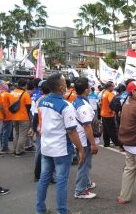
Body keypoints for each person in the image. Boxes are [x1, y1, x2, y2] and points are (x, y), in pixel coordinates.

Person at [36, 73, 85, 214]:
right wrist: (80, 150)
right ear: (62, 87)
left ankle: (40, 209)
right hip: (61, 149)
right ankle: (62, 211)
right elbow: (72, 131)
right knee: (61, 181)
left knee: (44, 178)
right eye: (65, 83)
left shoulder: (42, 101)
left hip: (46, 146)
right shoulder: (65, 105)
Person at [72, 77, 99, 199]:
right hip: (84, 139)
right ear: (86, 90)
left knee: (86, 163)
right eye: (88, 87)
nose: (90, 88)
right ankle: (80, 190)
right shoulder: (83, 105)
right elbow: (87, 126)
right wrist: (93, 143)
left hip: (79, 137)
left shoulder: (77, 100)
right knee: (84, 164)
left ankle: (86, 183)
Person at [9, 78, 32, 157]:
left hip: (14, 116)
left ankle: (15, 149)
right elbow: (29, 107)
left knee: (16, 134)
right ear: (25, 85)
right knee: (22, 135)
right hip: (23, 117)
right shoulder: (25, 94)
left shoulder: (11, 93)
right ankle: (19, 151)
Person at [100, 82, 120, 148]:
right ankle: (117, 143)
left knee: (105, 129)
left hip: (103, 113)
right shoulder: (110, 94)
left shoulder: (103, 93)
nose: (113, 88)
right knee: (112, 129)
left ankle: (106, 143)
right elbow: (112, 103)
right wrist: (114, 110)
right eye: (113, 86)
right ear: (109, 87)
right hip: (109, 114)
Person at [0, 82, 13, 153]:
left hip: (0, 115)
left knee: (1, 131)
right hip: (8, 115)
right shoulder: (8, 94)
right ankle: (4, 147)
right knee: (6, 132)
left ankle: (2, 146)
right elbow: (12, 104)